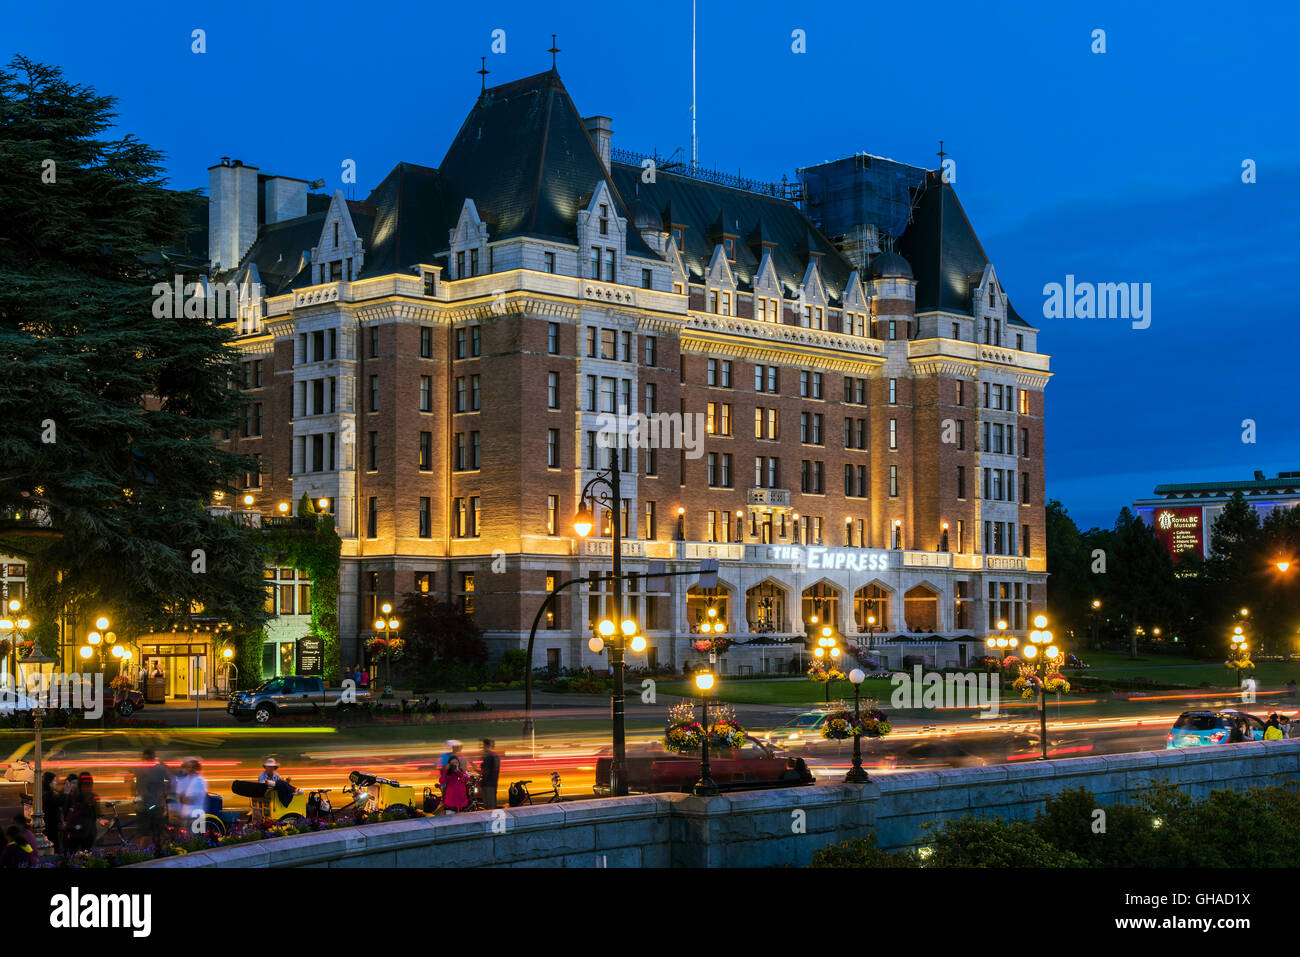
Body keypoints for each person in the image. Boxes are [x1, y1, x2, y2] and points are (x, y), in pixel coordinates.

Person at [135, 749, 171, 849]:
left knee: (144, 834)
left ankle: (143, 856)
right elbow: (171, 780)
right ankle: (158, 852)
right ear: (154, 758)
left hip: (143, 807)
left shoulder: (139, 769)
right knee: (159, 834)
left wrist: (136, 795)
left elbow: (136, 785)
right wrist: (165, 791)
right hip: (157, 806)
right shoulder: (160, 769)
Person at [174, 757, 208, 838]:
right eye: (188, 767)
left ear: (196, 768)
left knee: (197, 839)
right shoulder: (183, 780)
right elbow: (180, 797)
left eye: (192, 767)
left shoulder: (200, 781)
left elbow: (190, 799)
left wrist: (184, 799)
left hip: (197, 813)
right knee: (186, 838)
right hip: (185, 814)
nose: (190, 769)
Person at [63, 773, 97, 854]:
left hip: (74, 830)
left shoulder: (72, 795)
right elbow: (94, 815)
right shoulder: (92, 796)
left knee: (71, 853)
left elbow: (65, 811)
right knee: (87, 853)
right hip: (87, 830)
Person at [40, 772, 61, 853]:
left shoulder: (49, 793)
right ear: (49, 783)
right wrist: (66, 793)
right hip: (51, 824)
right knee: (53, 846)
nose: (56, 783)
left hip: (49, 824)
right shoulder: (48, 795)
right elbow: (59, 802)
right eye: (54, 781)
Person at [477, 739, 500, 809]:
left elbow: (485, 772)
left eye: (483, 746)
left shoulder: (491, 757)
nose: (483, 748)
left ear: (487, 746)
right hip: (490, 785)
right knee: (488, 806)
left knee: (489, 806)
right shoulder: (491, 757)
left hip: (489, 785)